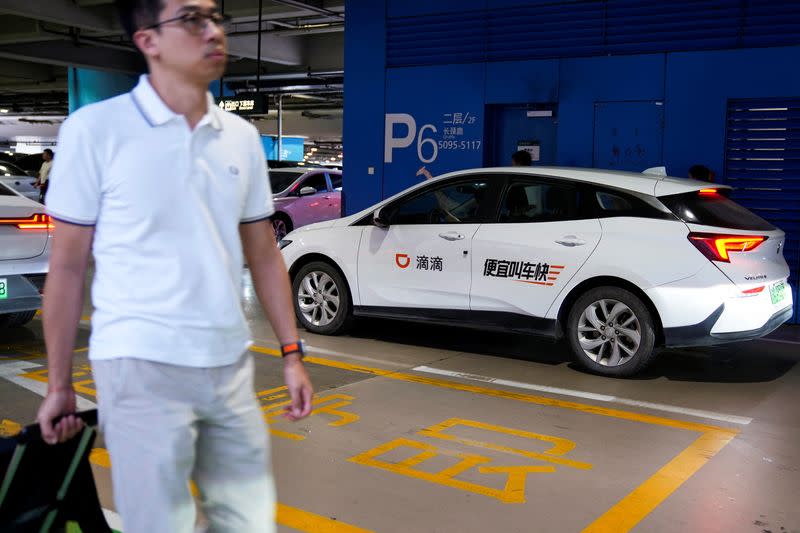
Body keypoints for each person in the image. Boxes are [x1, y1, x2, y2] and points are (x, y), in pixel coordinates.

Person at [36, 1, 313, 532]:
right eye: (191, 18)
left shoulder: (241, 139)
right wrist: (58, 386)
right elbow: (68, 268)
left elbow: (262, 253)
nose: (213, 31)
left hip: (228, 364)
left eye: (215, 18)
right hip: (139, 368)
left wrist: (292, 353)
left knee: (249, 522)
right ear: (148, 41)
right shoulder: (96, 130)